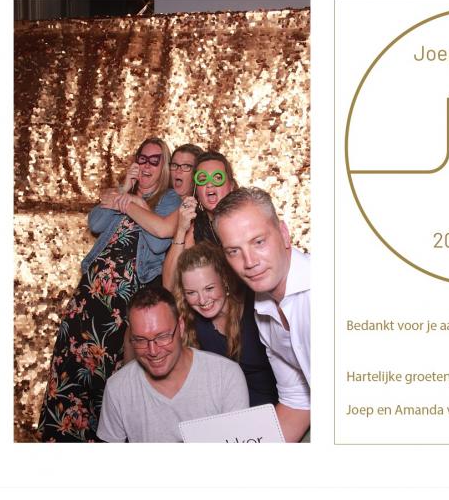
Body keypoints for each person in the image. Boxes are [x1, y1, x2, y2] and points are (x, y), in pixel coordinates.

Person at [37, 137, 181, 441]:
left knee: (104, 375)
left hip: (120, 303)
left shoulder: (169, 199)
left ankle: (103, 444)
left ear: (164, 168)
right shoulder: (124, 193)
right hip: (88, 296)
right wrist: (126, 190)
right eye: (142, 158)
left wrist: (132, 204)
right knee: (69, 367)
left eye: (154, 160)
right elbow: (96, 222)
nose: (146, 165)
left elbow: (158, 241)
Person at [212, 187, 310, 443]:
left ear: (284, 234)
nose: (249, 262)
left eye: (258, 242)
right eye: (234, 251)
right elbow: (297, 401)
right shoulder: (263, 304)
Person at [97, 285, 249, 442]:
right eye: (140, 340)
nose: (153, 351)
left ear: (181, 327)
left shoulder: (225, 376)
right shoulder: (117, 388)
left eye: (162, 336)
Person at [174, 241, 278, 408]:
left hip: (277, 408)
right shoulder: (192, 322)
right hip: (225, 412)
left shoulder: (258, 309)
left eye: (209, 288)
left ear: (225, 280)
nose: (202, 300)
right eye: (191, 293)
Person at [162, 150, 238, 290]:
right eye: (202, 179)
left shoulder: (246, 219)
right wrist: (181, 230)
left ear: (231, 186)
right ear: (197, 190)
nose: (209, 184)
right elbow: (169, 285)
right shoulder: (195, 226)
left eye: (217, 178)